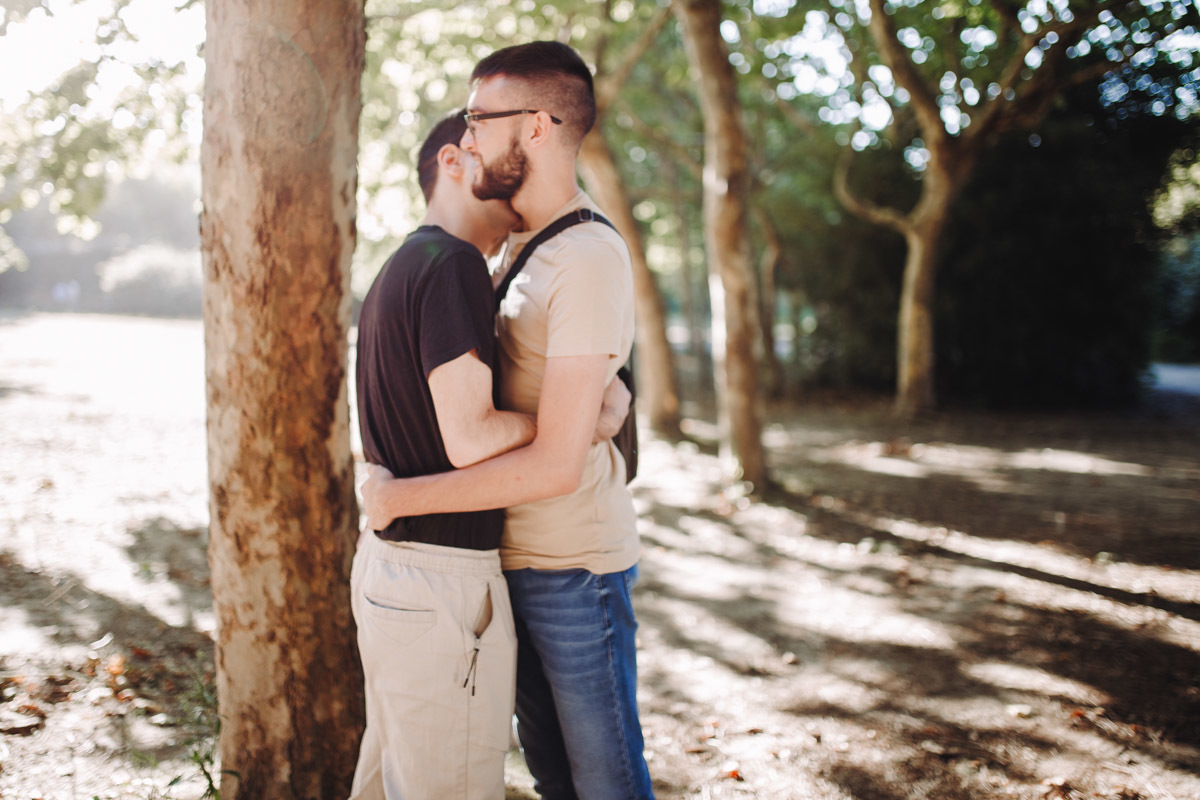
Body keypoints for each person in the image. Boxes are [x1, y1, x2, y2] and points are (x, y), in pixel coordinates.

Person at [362, 42, 655, 800]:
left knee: (605, 782)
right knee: (556, 778)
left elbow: (557, 462)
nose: (469, 136)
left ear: (536, 126)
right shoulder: (506, 248)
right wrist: (596, 404)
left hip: (572, 570)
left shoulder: (585, 255)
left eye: (480, 118)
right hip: (504, 567)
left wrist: (396, 499)